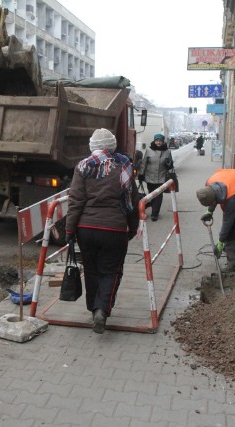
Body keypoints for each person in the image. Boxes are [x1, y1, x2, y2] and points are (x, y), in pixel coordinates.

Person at [65, 128, 140, 334]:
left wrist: (70, 230)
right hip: (114, 229)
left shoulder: (83, 166)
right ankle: (102, 310)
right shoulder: (123, 164)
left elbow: (75, 201)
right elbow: (132, 200)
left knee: (91, 270)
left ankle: (93, 309)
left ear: (92, 146)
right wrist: (132, 228)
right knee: (111, 271)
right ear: (112, 145)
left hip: (86, 229)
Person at [137, 133, 174, 221]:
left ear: (162, 141)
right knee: (151, 194)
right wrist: (141, 174)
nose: (158, 142)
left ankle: (155, 214)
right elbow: (144, 163)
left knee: (159, 195)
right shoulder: (149, 150)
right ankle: (152, 206)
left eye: (160, 141)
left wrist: (169, 164)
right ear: (154, 141)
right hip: (150, 177)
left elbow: (171, 164)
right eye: (157, 141)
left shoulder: (167, 151)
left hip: (161, 177)